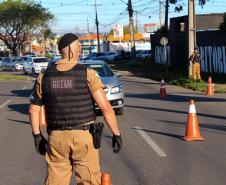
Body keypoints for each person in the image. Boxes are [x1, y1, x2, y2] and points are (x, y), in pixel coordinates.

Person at [29, 33, 122, 185]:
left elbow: (33, 110)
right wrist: (116, 134)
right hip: (84, 138)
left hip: (56, 139)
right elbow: (105, 108)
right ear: (72, 50)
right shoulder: (87, 74)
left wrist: (37, 136)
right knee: (90, 181)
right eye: (79, 48)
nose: (80, 51)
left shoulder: (44, 77)